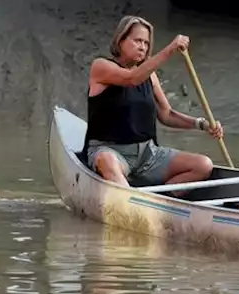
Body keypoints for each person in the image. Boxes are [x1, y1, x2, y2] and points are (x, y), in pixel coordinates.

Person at [83, 15, 224, 190]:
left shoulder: (150, 76)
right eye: (137, 41)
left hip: (148, 155)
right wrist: (170, 50)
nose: (143, 47)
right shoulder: (101, 67)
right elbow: (131, 79)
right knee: (107, 161)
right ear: (120, 41)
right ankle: (130, 203)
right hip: (110, 151)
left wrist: (202, 124)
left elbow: (167, 114)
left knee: (203, 165)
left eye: (146, 43)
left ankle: (165, 201)